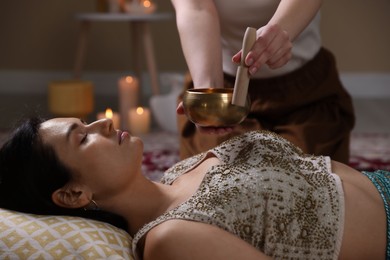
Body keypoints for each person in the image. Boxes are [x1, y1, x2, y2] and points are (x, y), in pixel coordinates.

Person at [0, 117, 387, 259]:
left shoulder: (176, 172)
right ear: (73, 195)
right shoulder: (171, 238)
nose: (102, 122)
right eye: (82, 138)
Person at [171, 0, 355, 164]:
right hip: (227, 89)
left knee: (305, 179)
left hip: (306, 93)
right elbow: (196, 9)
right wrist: (209, 92)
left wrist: (281, 31)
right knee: (219, 176)